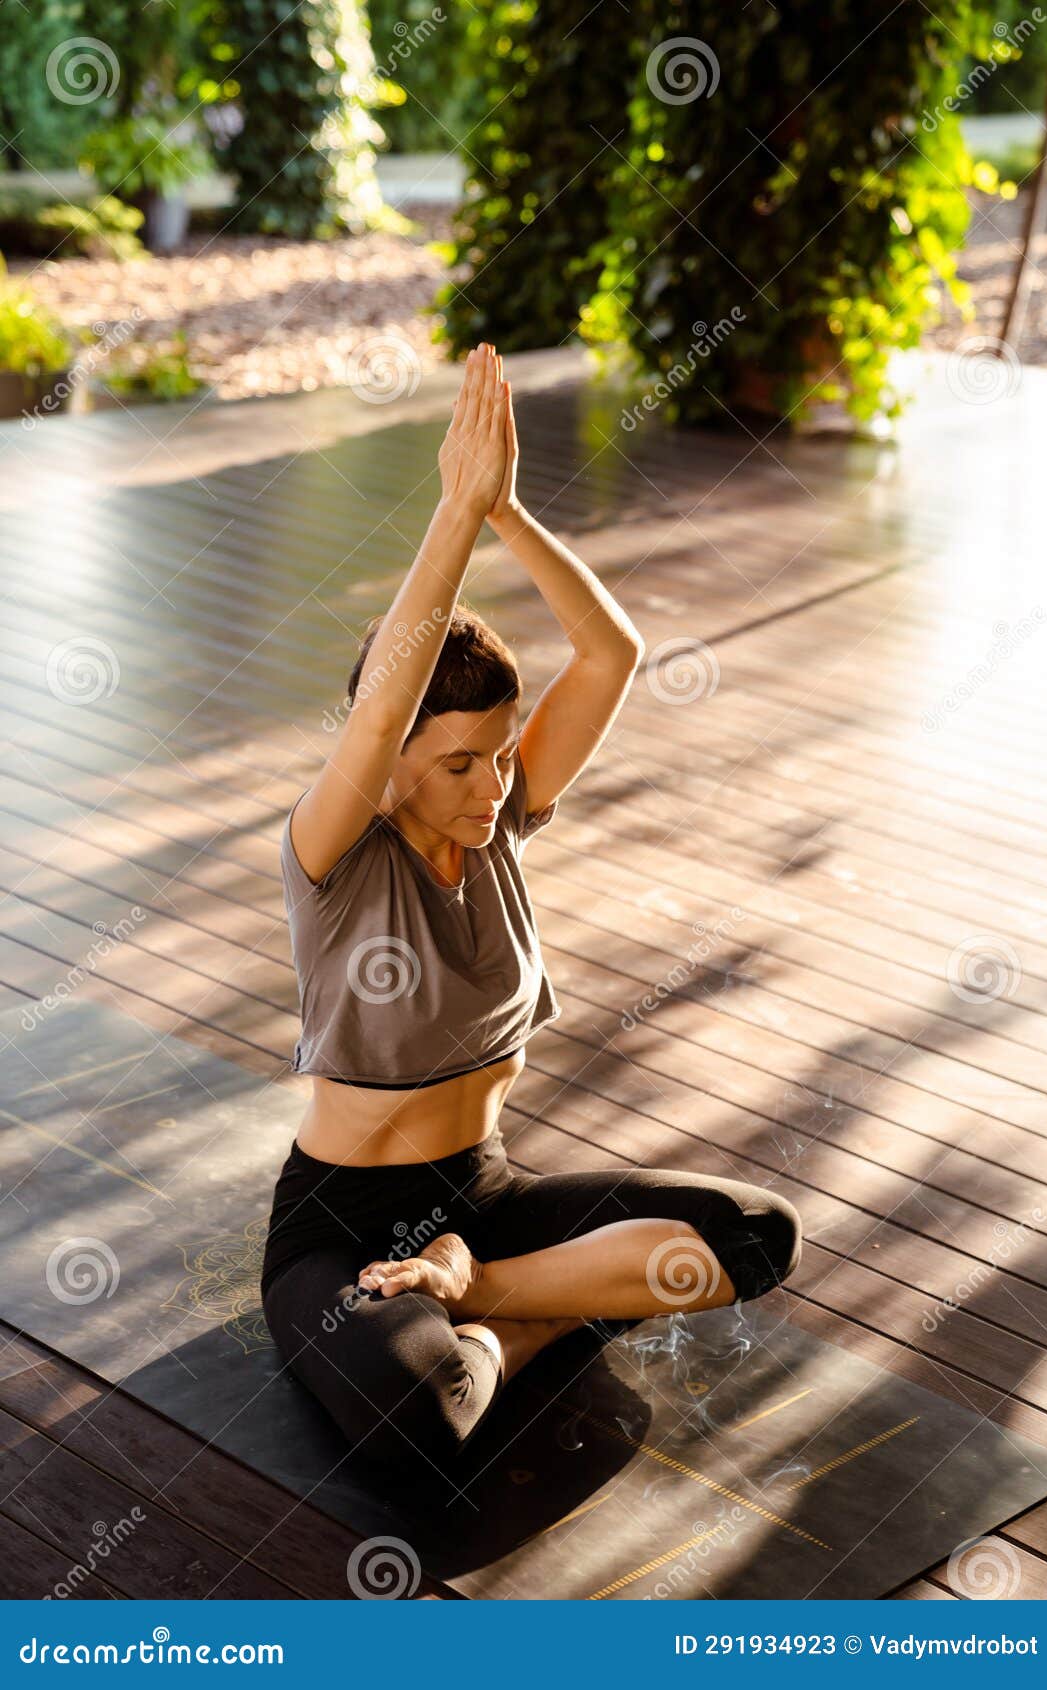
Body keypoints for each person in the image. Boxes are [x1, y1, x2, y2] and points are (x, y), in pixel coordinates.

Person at [260, 343, 802, 1488]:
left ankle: (490, 1295)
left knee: (754, 1235)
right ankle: (527, 1320)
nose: (492, 784)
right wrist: (451, 511)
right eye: (458, 762)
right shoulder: (333, 858)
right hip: (344, 1226)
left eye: (502, 754)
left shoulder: (499, 825)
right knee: (424, 1420)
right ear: (393, 760)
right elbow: (378, 706)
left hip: (486, 1197)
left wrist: (506, 509)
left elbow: (612, 653)